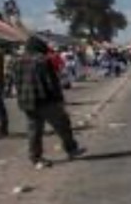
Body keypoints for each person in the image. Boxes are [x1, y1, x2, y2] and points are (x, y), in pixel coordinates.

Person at [14, 36, 86, 169]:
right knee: (63, 124)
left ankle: (36, 158)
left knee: (34, 131)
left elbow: (16, 83)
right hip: (46, 100)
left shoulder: (17, 61)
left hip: (28, 102)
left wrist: (21, 99)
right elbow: (51, 82)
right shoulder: (42, 60)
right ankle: (71, 149)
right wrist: (59, 99)